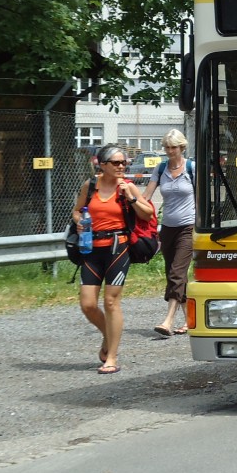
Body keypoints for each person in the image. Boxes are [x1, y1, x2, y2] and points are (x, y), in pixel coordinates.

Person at [70, 143, 155, 374]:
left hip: (118, 249)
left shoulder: (126, 187)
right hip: (91, 249)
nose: (122, 166)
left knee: (110, 302)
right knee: (87, 304)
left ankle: (112, 358)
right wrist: (79, 220)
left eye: (124, 163)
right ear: (103, 165)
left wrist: (132, 198)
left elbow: (148, 214)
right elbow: (77, 210)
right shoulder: (90, 186)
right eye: (116, 163)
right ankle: (109, 334)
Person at [142, 129, 195, 338]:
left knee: (177, 273)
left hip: (188, 227)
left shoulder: (191, 168)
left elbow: (201, 199)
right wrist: (128, 195)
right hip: (167, 228)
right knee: (175, 275)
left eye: (173, 147)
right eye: (167, 147)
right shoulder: (161, 168)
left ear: (182, 147)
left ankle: (168, 320)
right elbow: (146, 195)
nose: (170, 151)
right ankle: (192, 320)